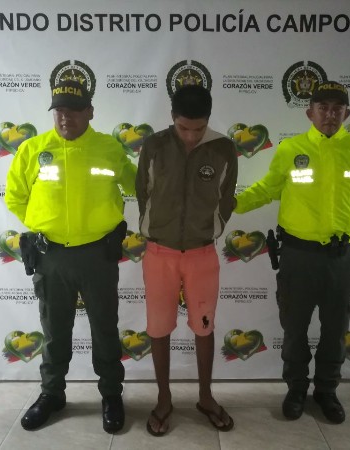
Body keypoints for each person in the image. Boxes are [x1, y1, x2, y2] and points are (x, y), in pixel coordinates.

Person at [234, 81, 350, 424]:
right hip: (297, 255)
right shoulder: (291, 149)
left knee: (336, 328)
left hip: (341, 257)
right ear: (310, 113)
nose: (330, 114)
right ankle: (296, 389)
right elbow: (268, 188)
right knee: (295, 326)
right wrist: (234, 204)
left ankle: (327, 391)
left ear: (347, 113)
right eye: (323, 108)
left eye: (337, 108)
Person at [5, 79, 137, 433]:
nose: (66, 117)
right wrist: (43, 224)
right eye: (60, 111)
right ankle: (52, 394)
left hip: (98, 256)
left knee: (105, 329)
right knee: (54, 330)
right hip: (51, 257)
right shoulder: (33, 149)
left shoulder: (109, 148)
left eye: (74, 110)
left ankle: (111, 394)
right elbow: (15, 196)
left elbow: (137, 185)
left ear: (90, 112)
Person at [135, 85, 238, 436]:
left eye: (199, 128)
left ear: (208, 120)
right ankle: (163, 399)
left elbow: (227, 198)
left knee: (204, 326)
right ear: (172, 118)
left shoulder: (223, 148)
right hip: (159, 254)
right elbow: (142, 191)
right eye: (183, 128)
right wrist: (157, 229)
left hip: (202, 254)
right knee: (159, 327)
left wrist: (212, 227)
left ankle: (206, 397)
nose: (192, 136)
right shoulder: (154, 145)